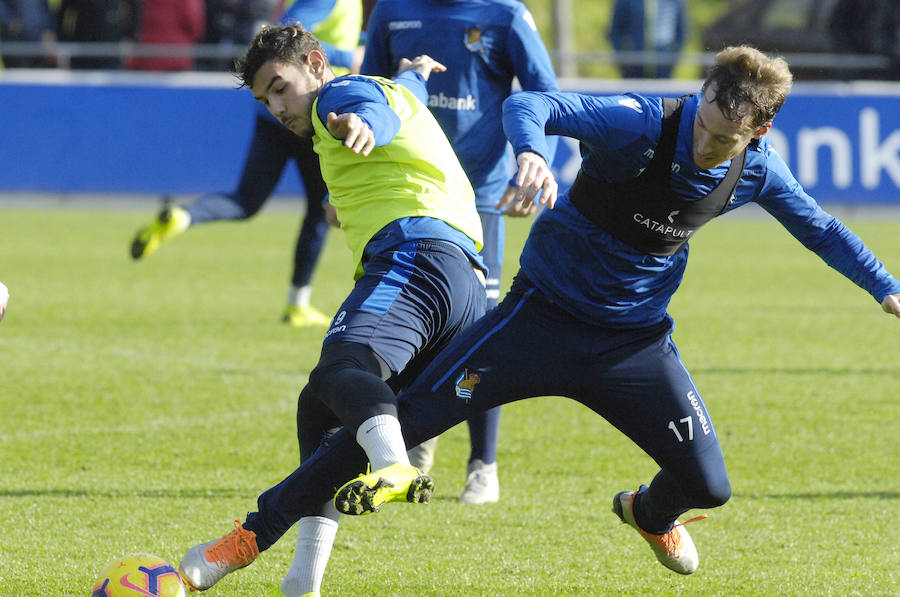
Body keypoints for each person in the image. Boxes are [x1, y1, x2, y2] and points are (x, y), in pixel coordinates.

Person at [178, 45, 900, 591]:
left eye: (720, 138)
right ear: (701, 93)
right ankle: (244, 539)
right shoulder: (640, 122)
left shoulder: (760, 172)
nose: (702, 142)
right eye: (704, 119)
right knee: (396, 423)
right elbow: (532, 105)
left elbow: (823, 230)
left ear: (761, 128)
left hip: (633, 345)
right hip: (535, 321)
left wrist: (885, 287)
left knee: (710, 486)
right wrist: (532, 156)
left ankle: (648, 513)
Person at [178, 24, 489, 593]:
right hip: (466, 286)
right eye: (264, 99)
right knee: (322, 415)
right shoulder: (388, 87)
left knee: (341, 368)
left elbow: (368, 110)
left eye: (279, 87)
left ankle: (396, 464)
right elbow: (408, 94)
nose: (277, 107)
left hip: (416, 256)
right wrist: (417, 71)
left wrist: (364, 125)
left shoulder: (337, 100)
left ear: (316, 63)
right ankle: (288, 571)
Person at [360, 0, 559, 504]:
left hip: (479, 195)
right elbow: (372, 94)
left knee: (478, 332)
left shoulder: (506, 15)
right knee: (413, 320)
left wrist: (534, 159)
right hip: (409, 194)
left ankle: (482, 462)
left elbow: (544, 94)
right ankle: (420, 432)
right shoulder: (391, 11)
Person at [129, 0, 364, 327]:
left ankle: (184, 216)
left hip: (273, 115)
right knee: (321, 208)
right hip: (307, 110)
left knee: (246, 200)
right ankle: (298, 303)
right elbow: (289, 30)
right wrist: (347, 57)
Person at [609, 0, 687, 78]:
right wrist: (625, 60)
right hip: (632, 69)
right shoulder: (624, 1)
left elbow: (681, 35)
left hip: (664, 69)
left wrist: (671, 59)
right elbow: (615, 33)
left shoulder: (675, 2)